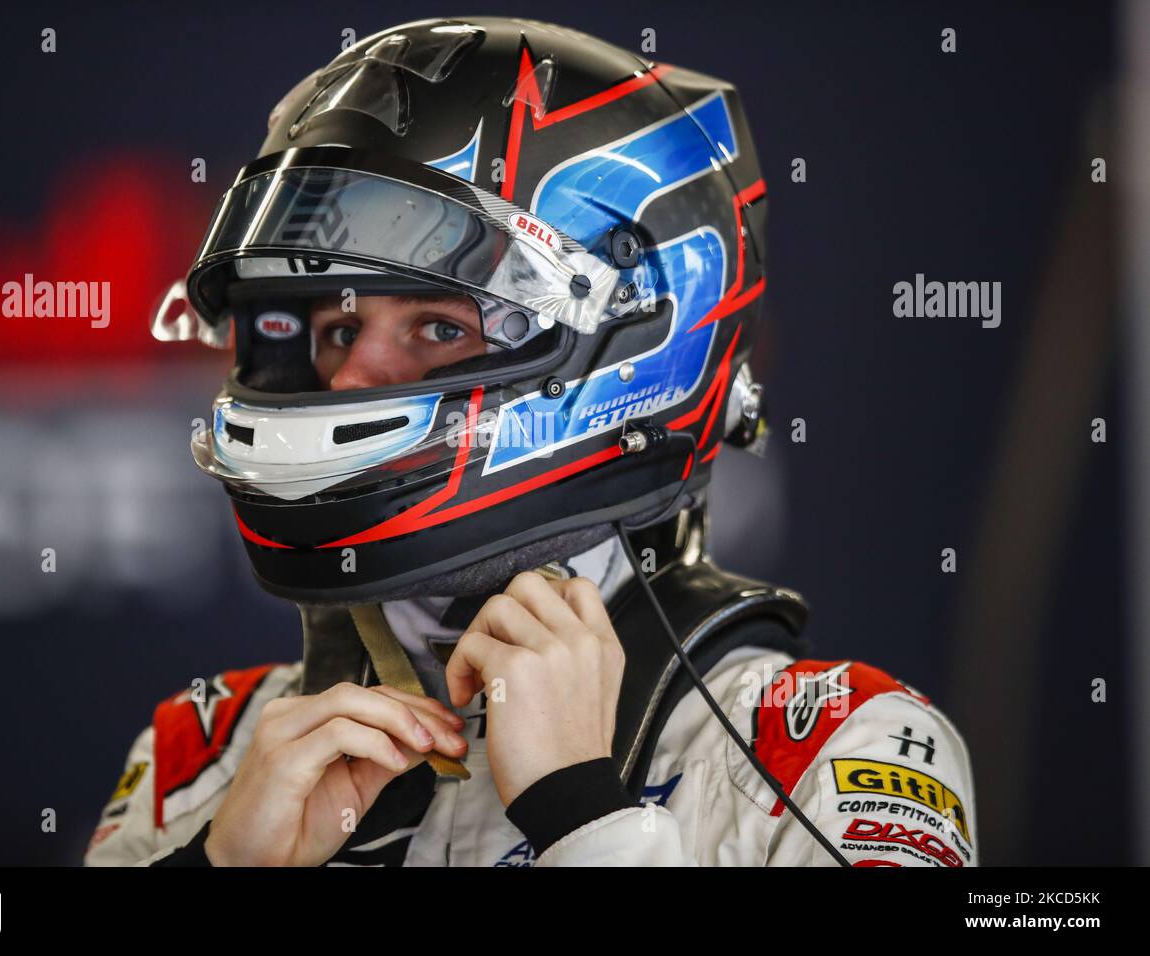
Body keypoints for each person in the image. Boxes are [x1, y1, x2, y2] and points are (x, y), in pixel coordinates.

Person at [86, 17, 977, 867]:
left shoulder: (836, 749)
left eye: (437, 328)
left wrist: (580, 814)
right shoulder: (202, 752)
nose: (352, 380)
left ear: (634, 344)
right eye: (335, 332)